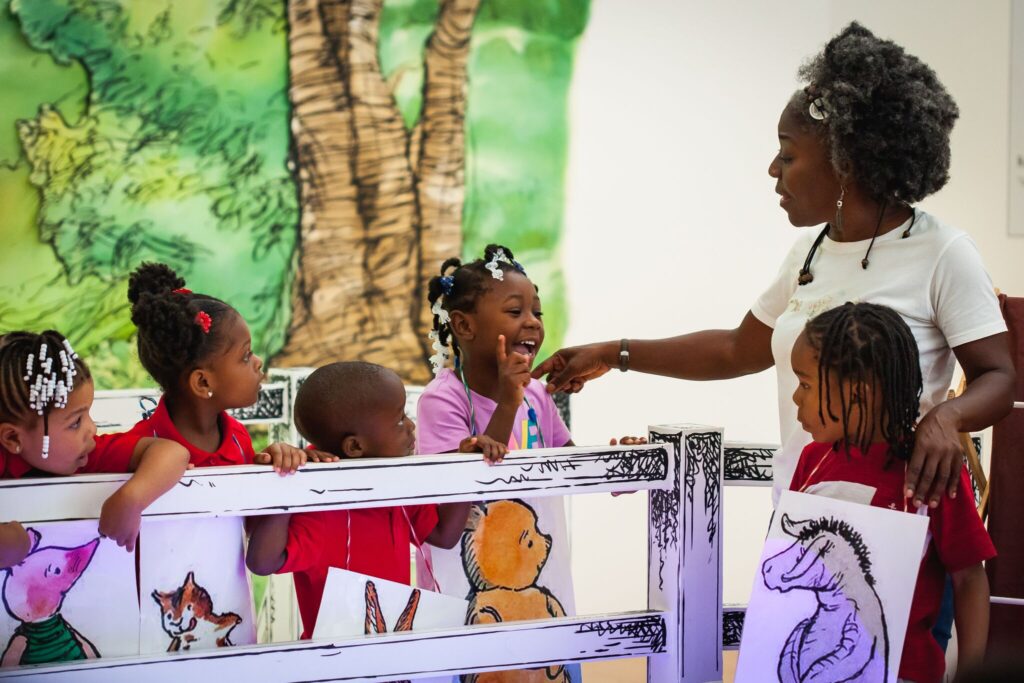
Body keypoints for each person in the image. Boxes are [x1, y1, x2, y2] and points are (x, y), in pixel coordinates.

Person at [533, 22, 1013, 513]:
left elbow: (999, 376)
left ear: (844, 163)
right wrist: (614, 354)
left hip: (900, 526)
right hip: (800, 515)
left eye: (787, 154)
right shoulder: (811, 253)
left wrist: (947, 417)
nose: (772, 170)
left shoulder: (943, 252)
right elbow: (734, 350)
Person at [789, 302, 993, 683]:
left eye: (805, 384)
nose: (796, 399)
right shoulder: (811, 460)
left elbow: (969, 578)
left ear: (858, 393)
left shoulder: (930, 470)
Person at [244, 361, 505, 639]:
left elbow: (444, 534)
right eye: (399, 421)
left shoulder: (396, 484)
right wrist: (286, 479)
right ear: (355, 446)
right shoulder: (316, 500)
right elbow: (262, 562)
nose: (411, 425)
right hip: (333, 664)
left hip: (393, 658)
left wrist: (465, 467)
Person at [0, 330, 189, 567]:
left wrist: (132, 498)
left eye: (88, 413)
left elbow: (174, 453)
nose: (92, 428)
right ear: (12, 438)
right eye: (76, 422)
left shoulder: (86, 454)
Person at [125, 262, 326, 472]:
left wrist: (268, 463)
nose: (258, 362)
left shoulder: (238, 437)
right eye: (245, 356)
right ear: (202, 382)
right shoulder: (139, 451)